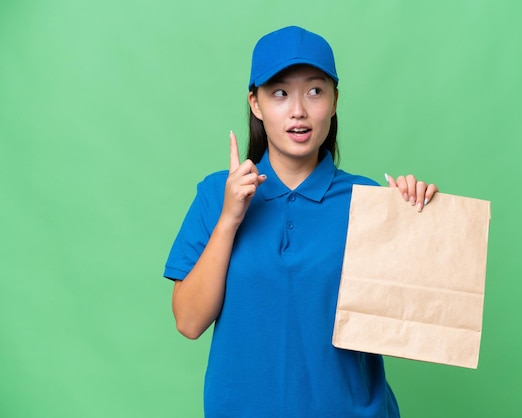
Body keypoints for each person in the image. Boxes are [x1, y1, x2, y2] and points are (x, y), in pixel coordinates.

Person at [163, 25, 438, 418]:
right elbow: (189, 322)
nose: (298, 111)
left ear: (334, 100)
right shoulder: (215, 195)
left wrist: (417, 217)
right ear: (255, 104)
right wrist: (229, 219)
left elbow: (415, 316)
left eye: (314, 91)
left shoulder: (370, 200)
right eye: (279, 93)